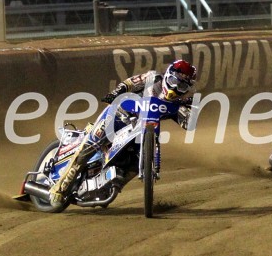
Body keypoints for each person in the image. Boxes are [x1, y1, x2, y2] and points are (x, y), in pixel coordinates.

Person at [48, 60, 198, 208]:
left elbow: (189, 124)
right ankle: (61, 188)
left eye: (182, 86)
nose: (176, 88)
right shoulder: (153, 78)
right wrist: (115, 93)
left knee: (134, 163)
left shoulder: (180, 102)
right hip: (118, 116)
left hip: (141, 131)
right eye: (174, 81)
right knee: (89, 146)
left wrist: (191, 107)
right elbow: (129, 84)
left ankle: (109, 187)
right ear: (168, 75)